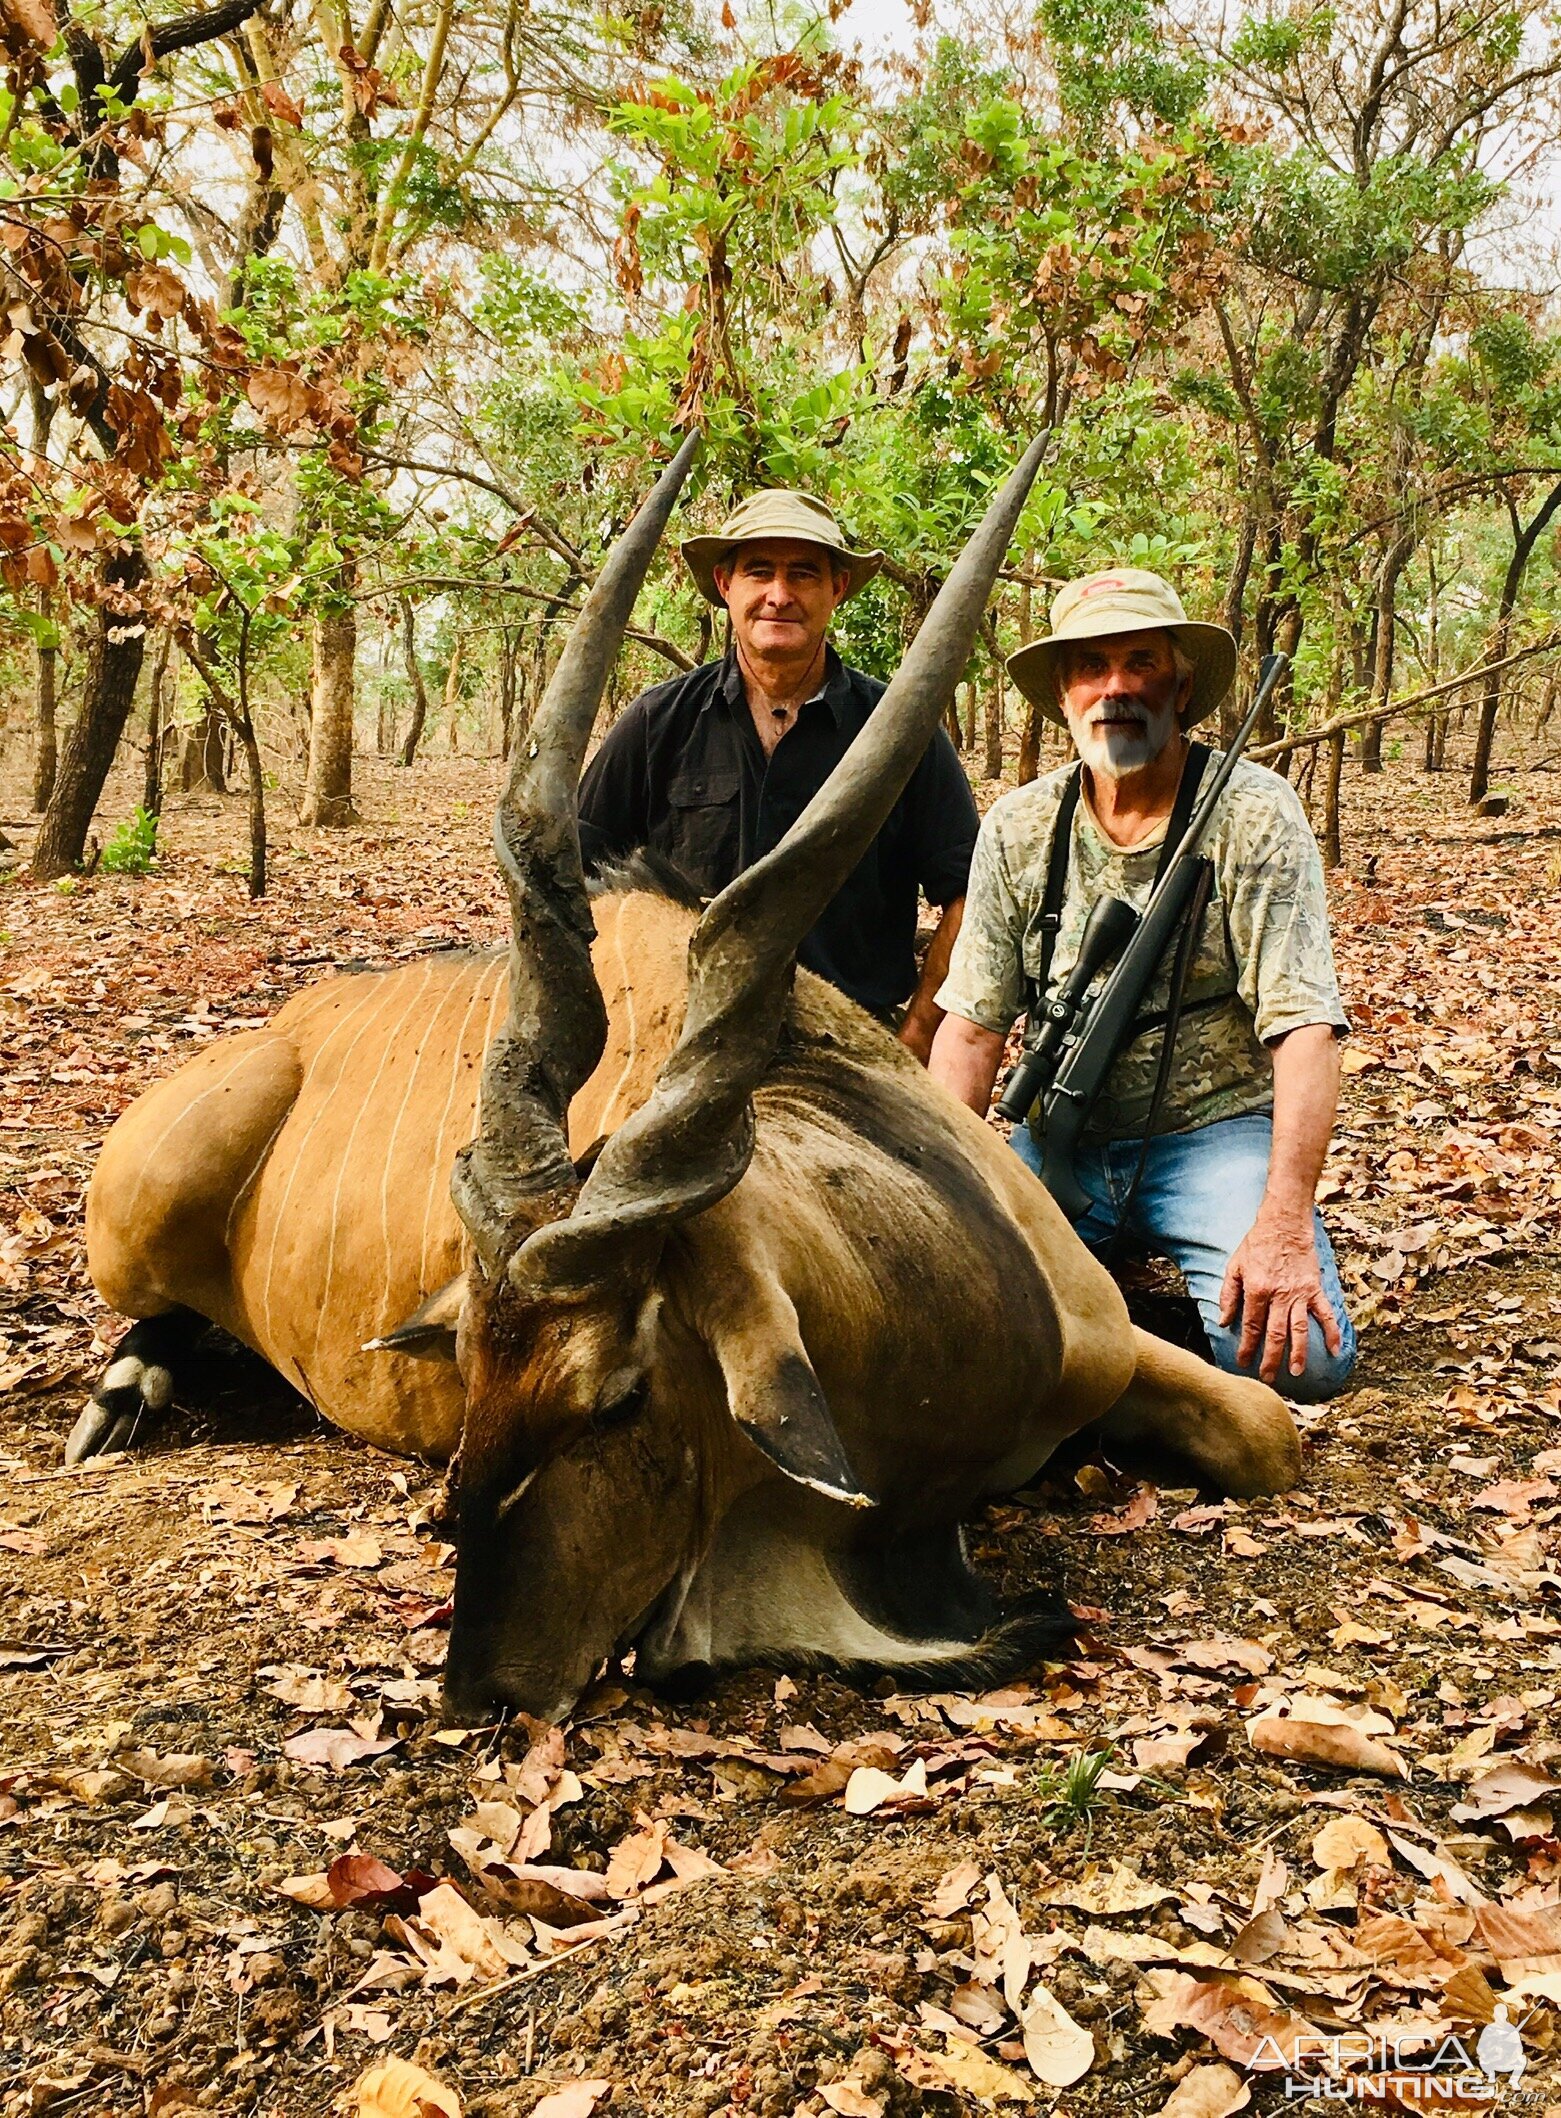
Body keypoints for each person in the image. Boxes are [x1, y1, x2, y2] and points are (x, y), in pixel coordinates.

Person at [928, 567, 1356, 1400]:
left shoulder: (1252, 812)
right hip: (1058, 1142)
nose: (1115, 687)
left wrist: (1281, 1227)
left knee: (1296, 1364)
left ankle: (1170, 1276)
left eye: (1140, 663)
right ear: (1061, 692)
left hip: (1212, 1133)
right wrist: (952, 1182)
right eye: (1091, 666)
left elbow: (1305, 1026)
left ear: (1181, 683)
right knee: (953, 1329)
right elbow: (972, 1029)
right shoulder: (1018, 826)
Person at [577, 489, 978, 1060]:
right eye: (759, 572)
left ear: (837, 589)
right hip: (679, 1045)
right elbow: (574, 879)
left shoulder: (901, 732)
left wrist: (915, 1037)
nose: (779, 596)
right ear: (725, 585)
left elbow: (968, 895)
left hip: (853, 1050)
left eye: (804, 575)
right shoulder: (656, 723)